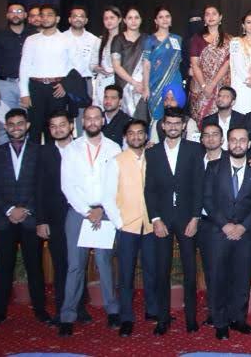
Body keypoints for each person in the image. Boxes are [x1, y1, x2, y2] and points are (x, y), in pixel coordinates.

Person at [57, 104, 122, 335]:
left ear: (102, 121)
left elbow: (116, 184)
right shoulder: (72, 149)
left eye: (97, 118)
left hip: (105, 213)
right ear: (83, 122)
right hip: (78, 212)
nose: (93, 122)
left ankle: (112, 311)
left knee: (105, 263)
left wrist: (101, 209)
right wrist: (87, 210)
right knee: (75, 265)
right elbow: (67, 185)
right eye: (88, 119)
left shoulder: (114, 148)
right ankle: (67, 315)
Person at [0, 108, 48, 328]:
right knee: (3, 267)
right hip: (4, 219)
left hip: (31, 219)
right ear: (5, 127)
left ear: (28, 125)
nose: (16, 128)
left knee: (34, 266)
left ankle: (40, 310)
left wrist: (26, 209)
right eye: (11, 124)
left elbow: (43, 186)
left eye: (20, 123)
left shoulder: (40, 152)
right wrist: (9, 209)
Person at [202, 125, 251, 340]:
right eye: (233, 140)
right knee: (218, 278)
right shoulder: (213, 167)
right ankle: (220, 322)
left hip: (245, 233)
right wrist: (225, 225)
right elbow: (208, 201)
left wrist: (242, 227)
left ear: (248, 144)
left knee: (242, 277)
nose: (237, 144)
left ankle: (238, 319)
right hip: (218, 232)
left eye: (242, 140)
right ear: (227, 143)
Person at [145, 106, 205, 334]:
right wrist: (156, 218)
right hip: (162, 220)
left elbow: (199, 186)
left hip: (187, 219)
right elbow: (149, 190)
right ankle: (163, 319)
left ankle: (191, 318)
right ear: (162, 126)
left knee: (190, 271)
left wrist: (196, 217)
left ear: (183, 126)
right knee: (162, 271)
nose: (172, 127)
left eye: (176, 124)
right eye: (168, 123)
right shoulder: (152, 153)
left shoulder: (194, 150)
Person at [102, 119, 159, 337]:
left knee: (151, 271)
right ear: (126, 137)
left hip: (151, 225)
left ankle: (152, 310)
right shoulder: (116, 161)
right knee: (125, 275)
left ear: (146, 136)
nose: (136, 136)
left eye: (140, 133)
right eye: (132, 133)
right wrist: (120, 223)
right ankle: (126, 316)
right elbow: (107, 197)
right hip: (127, 227)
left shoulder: (153, 158)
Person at [35, 110, 90, 326]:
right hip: (56, 218)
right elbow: (38, 189)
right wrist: (41, 220)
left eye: (62, 125)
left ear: (70, 126)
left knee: (80, 263)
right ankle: (62, 308)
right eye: (53, 126)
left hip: (80, 213)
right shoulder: (44, 152)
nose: (58, 129)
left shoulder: (83, 147)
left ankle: (80, 307)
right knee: (61, 264)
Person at [19, 4, 72, 142]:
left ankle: (53, 160)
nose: (46, 18)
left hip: (57, 88)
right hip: (36, 87)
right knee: (34, 128)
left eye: (50, 15)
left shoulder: (67, 39)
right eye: (43, 15)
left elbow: (73, 67)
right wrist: (24, 93)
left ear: (58, 18)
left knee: (55, 129)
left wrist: (65, 85)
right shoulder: (31, 40)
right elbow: (24, 67)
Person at [0, 2, 36, 142]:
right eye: (12, 11)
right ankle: (4, 159)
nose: (16, 14)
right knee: (5, 123)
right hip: (5, 85)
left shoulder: (33, 36)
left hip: (27, 86)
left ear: (25, 15)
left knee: (26, 124)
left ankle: (23, 159)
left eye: (19, 11)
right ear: (7, 15)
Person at [195, 122, 224, 327]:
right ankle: (214, 312)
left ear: (222, 139)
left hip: (227, 223)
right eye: (207, 135)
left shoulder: (234, 160)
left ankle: (230, 312)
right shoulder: (196, 161)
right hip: (204, 223)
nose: (211, 138)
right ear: (201, 139)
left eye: (215, 135)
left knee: (229, 270)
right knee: (211, 270)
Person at [188, 5, 230, 122]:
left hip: (221, 87)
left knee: (219, 122)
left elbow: (227, 64)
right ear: (204, 19)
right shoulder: (197, 39)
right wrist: (204, 86)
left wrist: (212, 85)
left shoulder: (229, 40)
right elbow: (195, 65)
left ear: (220, 17)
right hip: (200, 88)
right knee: (200, 123)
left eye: (214, 13)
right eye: (207, 14)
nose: (211, 17)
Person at [111, 7, 149, 121]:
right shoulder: (118, 39)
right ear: (124, 20)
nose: (133, 21)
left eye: (136, 18)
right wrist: (134, 83)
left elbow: (148, 65)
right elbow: (116, 66)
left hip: (142, 88)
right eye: (130, 18)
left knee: (140, 121)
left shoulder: (147, 39)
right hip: (123, 86)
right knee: (124, 123)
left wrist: (143, 84)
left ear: (141, 20)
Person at [229, 11, 251, 114]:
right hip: (243, 86)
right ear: (243, 26)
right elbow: (239, 67)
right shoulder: (236, 42)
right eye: (248, 22)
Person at [63, 6, 100, 104]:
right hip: (64, 84)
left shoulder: (94, 40)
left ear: (86, 20)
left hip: (86, 83)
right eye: (75, 16)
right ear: (69, 19)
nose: (78, 19)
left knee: (84, 115)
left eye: (81, 16)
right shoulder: (60, 38)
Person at [91, 6, 122, 110]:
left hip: (119, 81)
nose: (109, 21)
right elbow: (92, 64)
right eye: (106, 18)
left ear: (119, 20)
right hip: (102, 82)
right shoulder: (99, 41)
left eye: (112, 18)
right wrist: (98, 69)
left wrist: (116, 71)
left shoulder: (125, 40)